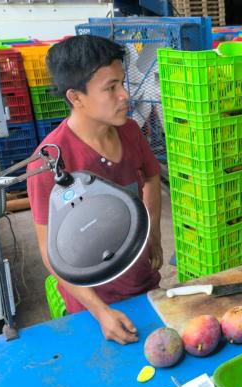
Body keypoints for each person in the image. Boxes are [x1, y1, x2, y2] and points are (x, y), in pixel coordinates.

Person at [27, 35, 163, 345]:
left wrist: (153, 234)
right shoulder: (49, 162)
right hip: (93, 305)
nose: (125, 96)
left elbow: (152, 177)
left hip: (140, 279)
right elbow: (51, 254)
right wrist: (100, 312)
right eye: (111, 88)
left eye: (122, 83)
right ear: (76, 97)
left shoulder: (130, 131)